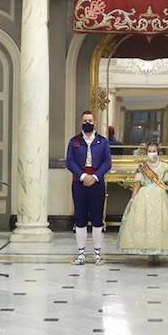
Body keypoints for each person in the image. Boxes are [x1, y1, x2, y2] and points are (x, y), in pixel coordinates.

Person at [118, 141, 168, 261]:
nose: (152, 153)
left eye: (154, 151)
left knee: (160, 224)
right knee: (145, 223)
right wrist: (133, 200)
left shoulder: (165, 166)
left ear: (158, 151)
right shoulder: (142, 167)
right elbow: (137, 184)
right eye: (149, 151)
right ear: (146, 152)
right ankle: (149, 251)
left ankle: (158, 251)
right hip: (144, 197)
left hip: (161, 197)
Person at [66, 110, 112, 265]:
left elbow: (107, 162)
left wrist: (95, 177)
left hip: (97, 184)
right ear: (81, 122)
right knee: (80, 218)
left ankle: (97, 254)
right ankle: (81, 254)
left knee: (98, 219)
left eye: (90, 120)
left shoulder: (103, 142)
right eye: (85, 120)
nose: (87, 123)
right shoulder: (74, 142)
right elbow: (70, 161)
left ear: (95, 122)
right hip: (79, 184)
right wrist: (83, 176)